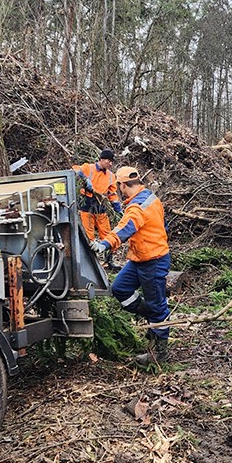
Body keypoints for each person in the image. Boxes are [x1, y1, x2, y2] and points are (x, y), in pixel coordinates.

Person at [90, 166, 171, 365]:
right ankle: (151, 316)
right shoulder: (150, 197)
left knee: (157, 306)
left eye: (118, 186)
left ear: (122, 185)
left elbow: (125, 228)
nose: (118, 189)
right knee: (120, 289)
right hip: (139, 259)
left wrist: (104, 244)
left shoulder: (137, 207)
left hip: (153, 261)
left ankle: (159, 354)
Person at [73, 149, 122, 270]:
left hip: (100, 206)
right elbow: (74, 169)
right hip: (86, 205)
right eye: (108, 160)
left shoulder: (111, 176)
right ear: (101, 159)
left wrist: (117, 207)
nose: (110, 164)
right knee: (88, 235)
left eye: (112, 162)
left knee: (107, 233)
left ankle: (109, 261)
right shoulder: (87, 168)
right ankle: (90, 262)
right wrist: (85, 179)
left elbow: (112, 193)